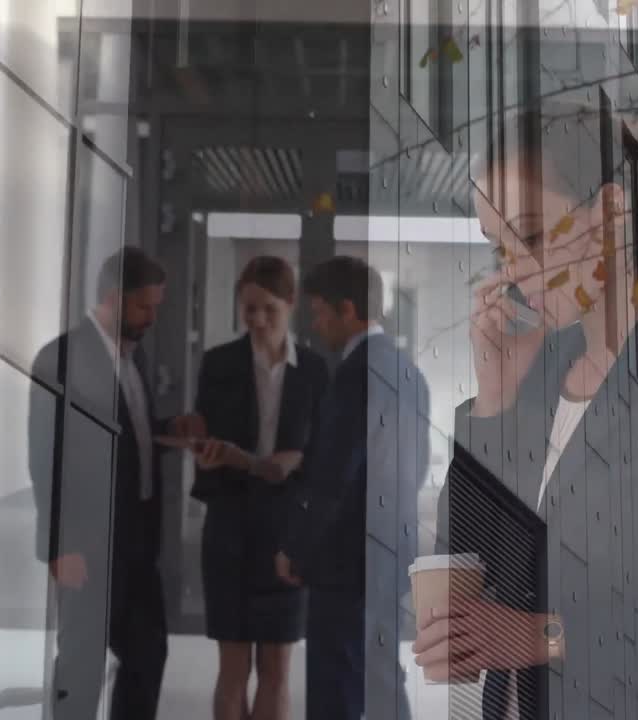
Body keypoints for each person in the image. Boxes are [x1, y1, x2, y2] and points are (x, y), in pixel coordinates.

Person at [414, 105, 638, 718]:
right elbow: (466, 558)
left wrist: (541, 636)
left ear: (612, 215)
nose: (515, 270)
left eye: (533, 235)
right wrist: (495, 402)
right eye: (499, 247)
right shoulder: (534, 377)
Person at [28, 247, 206, 720]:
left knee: (148, 655)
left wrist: (171, 430)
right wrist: (58, 546)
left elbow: (130, 438)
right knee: (81, 666)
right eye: (145, 306)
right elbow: (45, 458)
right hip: (85, 544)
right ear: (113, 298)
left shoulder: (133, 358)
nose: (152, 317)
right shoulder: (61, 358)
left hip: (136, 544)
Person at [275, 256, 430, 720]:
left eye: (320, 313)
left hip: (346, 555)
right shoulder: (408, 372)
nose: (316, 326)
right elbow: (413, 465)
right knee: (380, 672)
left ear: (348, 310)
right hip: (389, 547)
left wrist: (297, 547)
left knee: (336, 680)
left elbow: (335, 477)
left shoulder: (354, 374)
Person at [190, 256, 330, 720]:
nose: (257, 320)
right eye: (248, 308)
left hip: (286, 533)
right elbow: (203, 439)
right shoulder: (217, 363)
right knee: (232, 669)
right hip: (229, 528)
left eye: (268, 308)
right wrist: (210, 453)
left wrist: (301, 462)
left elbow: (329, 456)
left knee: (277, 669)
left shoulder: (314, 370)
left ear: (291, 304)